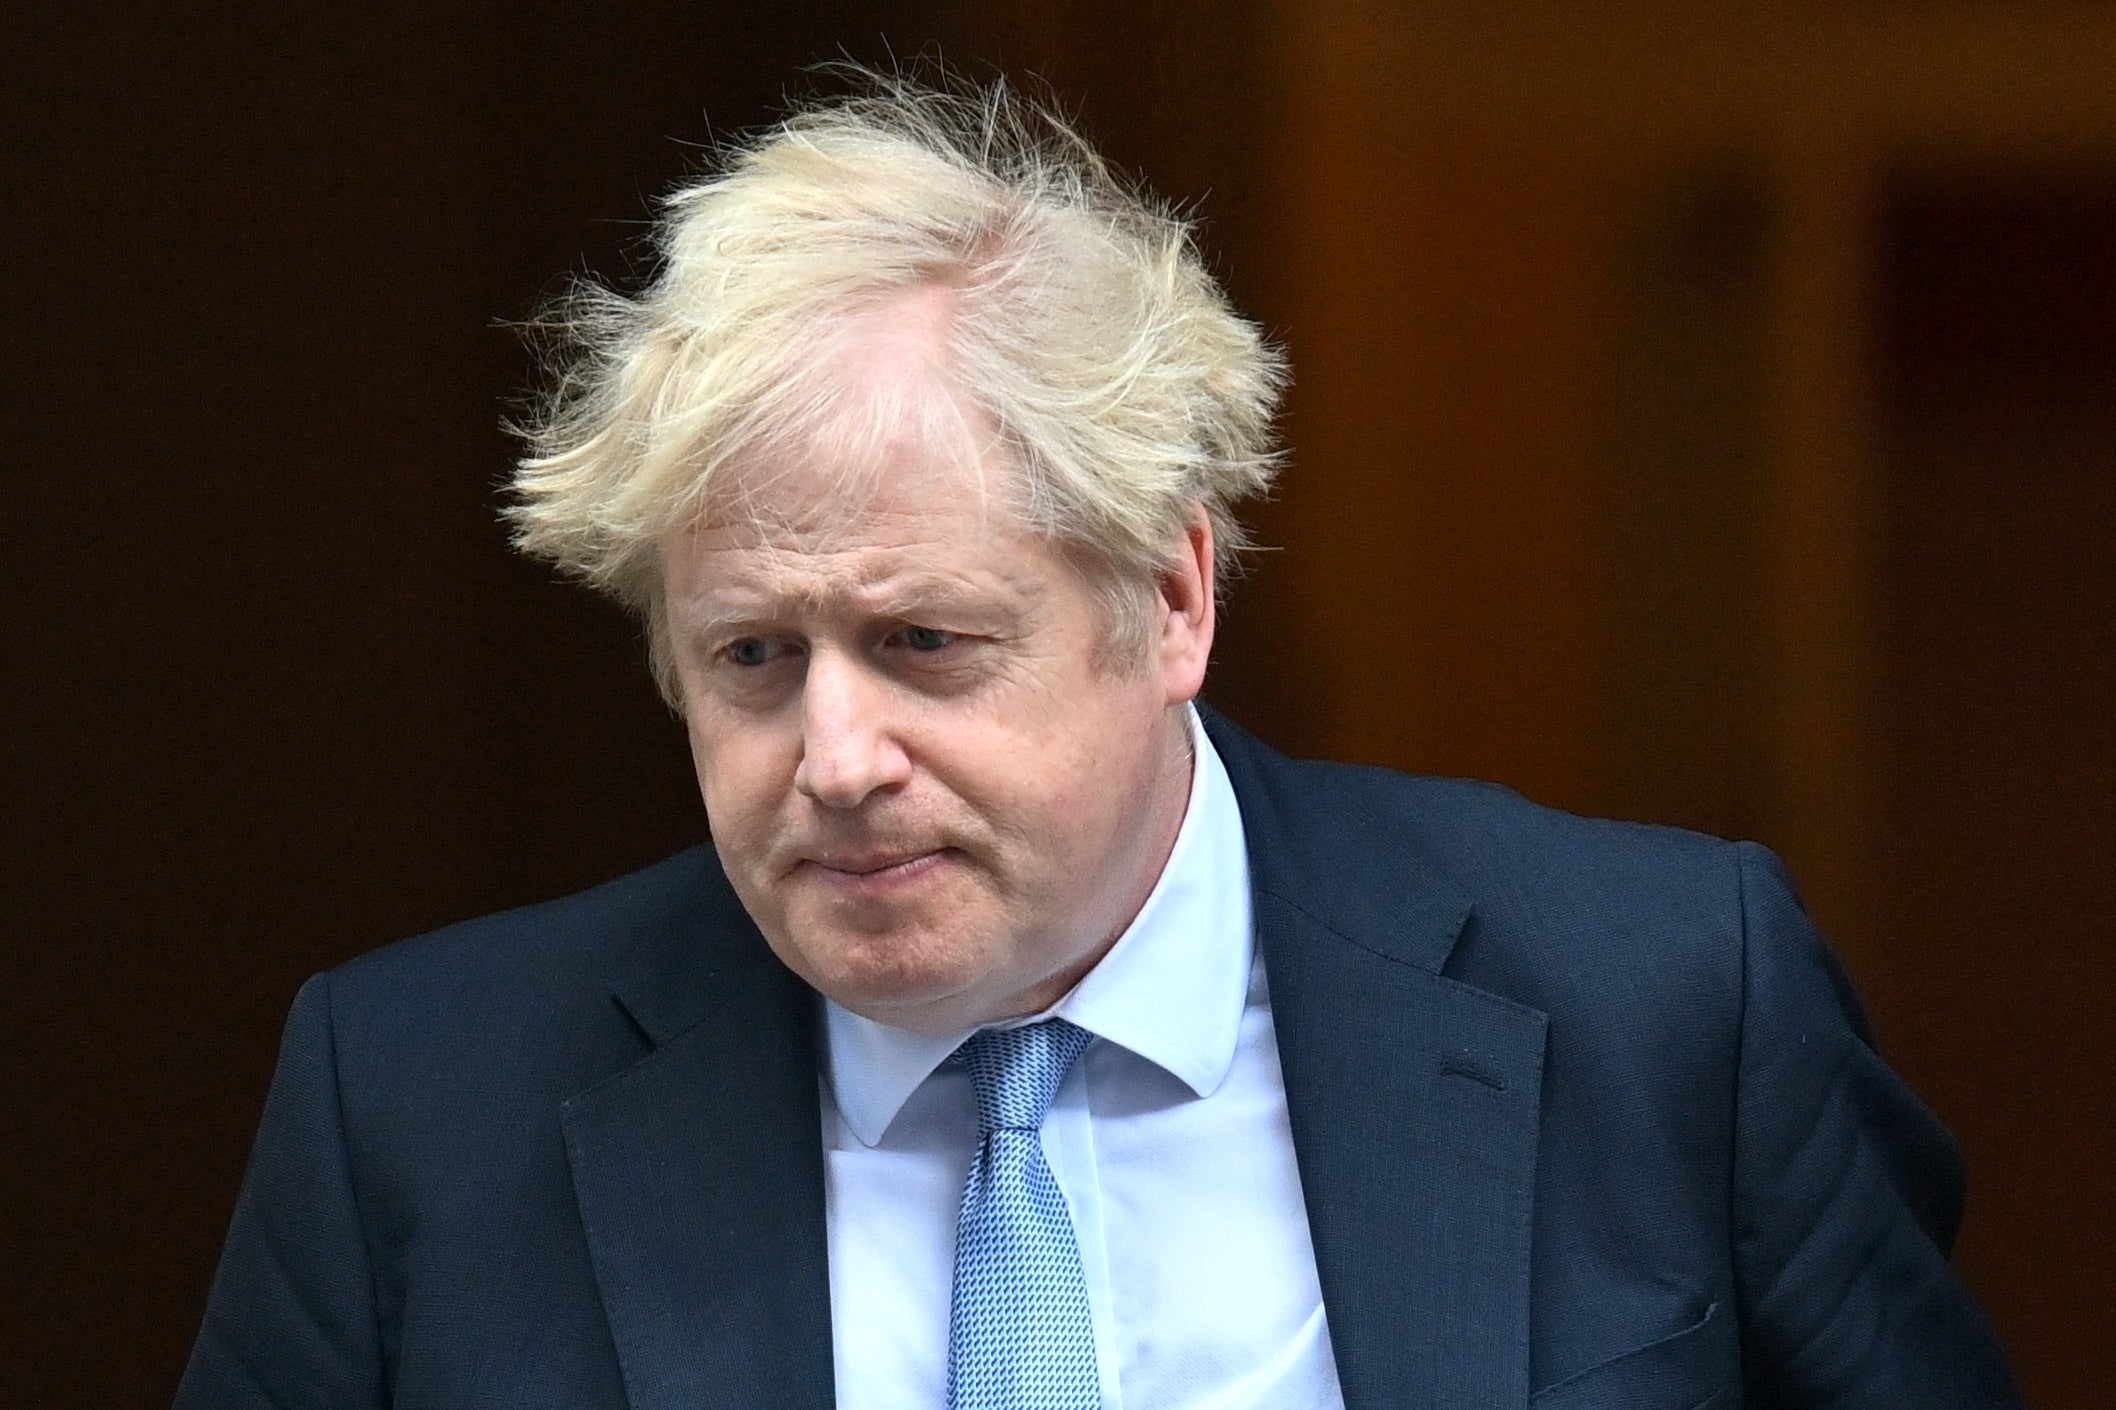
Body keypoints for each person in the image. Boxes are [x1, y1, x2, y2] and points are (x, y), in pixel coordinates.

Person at [178, 74, 2020, 1409]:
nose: (833, 750)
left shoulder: (1667, 1003)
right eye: (751, 655)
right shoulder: (416, 1106)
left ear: (1172, 599)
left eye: (923, 641)